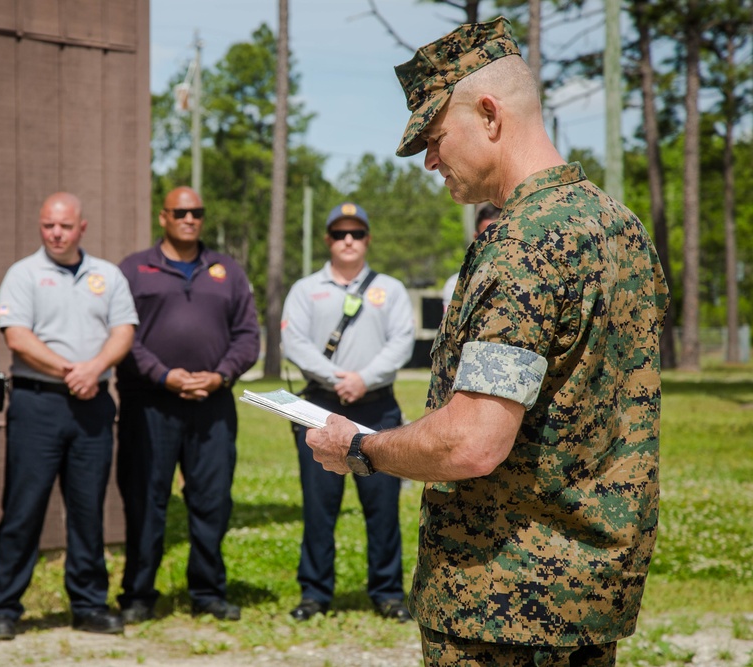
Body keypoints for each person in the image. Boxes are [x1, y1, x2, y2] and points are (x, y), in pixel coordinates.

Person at [304, 17, 669, 665]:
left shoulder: (523, 243)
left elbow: (473, 441)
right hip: (587, 601)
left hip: (502, 608)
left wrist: (360, 447)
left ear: (490, 115)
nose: (430, 161)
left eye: (436, 138)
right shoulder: (620, 226)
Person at [0, 193, 138, 640]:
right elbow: (17, 336)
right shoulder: (23, 274)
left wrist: (93, 370)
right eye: (48, 225)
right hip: (38, 404)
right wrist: (71, 370)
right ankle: (4, 607)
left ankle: (88, 603)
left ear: (81, 228)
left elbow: (123, 331)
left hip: (93, 404)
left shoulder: (106, 276)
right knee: (23, 508)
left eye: (65, 226)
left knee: (88, 510)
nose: (55, 233)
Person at [116, 186, 260, 623]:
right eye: (180, 211)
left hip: (211, 404)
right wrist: (164, 375)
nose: (189, 218)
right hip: (150, 405)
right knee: (146, 500)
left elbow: (248, 336)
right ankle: (138, 594)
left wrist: (219, 375)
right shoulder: (134, 269)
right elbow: (123, 336)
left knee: (211, 500)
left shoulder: (226, 269)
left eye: (196, 212)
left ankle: (208, 591)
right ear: (163, 216)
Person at [281, 202, 415, 623]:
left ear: (367, 239)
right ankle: (316, 593)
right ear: (328, 240)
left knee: (382, 506)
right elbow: (295, 343)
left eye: (356, 234)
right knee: (320, 505)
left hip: (377, 407)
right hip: (321, 406)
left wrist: (363, 379)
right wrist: (337, 376)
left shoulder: (390, 289)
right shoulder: (306, 289)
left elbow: (402, 342)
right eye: (340, 234)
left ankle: (388, 592)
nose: (348, 241)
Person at [441, 203, 501, 311]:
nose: (494, 243)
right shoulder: (456, 285)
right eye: (488, 237)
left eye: (499, 236)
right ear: (476, 238)